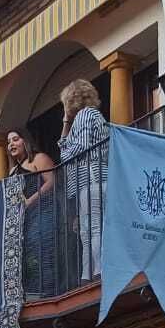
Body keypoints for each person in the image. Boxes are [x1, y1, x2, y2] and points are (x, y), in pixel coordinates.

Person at [56, 78, 109, 282]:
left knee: (93, 228)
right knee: (88, 230)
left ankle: (97, 272)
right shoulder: (88, 117)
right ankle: (88, 274)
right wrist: (66, 123)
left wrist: (66, 151)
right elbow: (64, 144)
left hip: (92, 178)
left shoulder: (86, 115)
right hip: (91, 180)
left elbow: (80, 148)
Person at [6, 127, 55, 289]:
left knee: (43, 248)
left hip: (44, 212)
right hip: (25, 220)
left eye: (15, 139)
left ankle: (48, 289)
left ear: (25, 141)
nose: (11, 144)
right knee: (29, 255)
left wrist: (29, 202)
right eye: (8, 142)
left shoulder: (38, 159)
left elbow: (52, 182)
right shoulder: (12, 171)